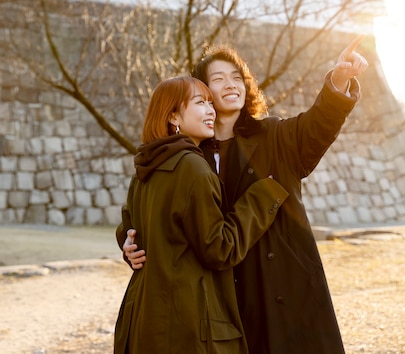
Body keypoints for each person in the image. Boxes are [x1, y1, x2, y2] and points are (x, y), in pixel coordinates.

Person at [123, 35, 368, 354]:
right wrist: (129, 242)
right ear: (203, 93)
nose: (231, 84)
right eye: (219, 79)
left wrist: (337, 81)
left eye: (237, 77)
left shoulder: (277, 136)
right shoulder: (188, 157)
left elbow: (319, 124)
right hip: (220, 301)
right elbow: (148, 216)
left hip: (280, 292)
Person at [114, 75, 288, 354]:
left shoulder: (144, 170)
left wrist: (127, 246)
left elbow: (130, 228)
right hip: (187, 324)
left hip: (142, 320)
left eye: (210, 103)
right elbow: (219, 249)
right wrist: (261, 197)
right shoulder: (193, 168)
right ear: (173, 116)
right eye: (200, 103)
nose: (211, 110)